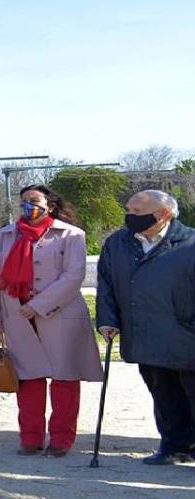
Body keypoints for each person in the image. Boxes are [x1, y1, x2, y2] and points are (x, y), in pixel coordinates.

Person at [0, 185, 103, 458]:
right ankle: (30, 438)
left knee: (64, 379)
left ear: (49, 205)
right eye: (24, 202)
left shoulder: (71, 235)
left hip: (61, 315)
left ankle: (62, 440)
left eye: (35, 201)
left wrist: (38, 306)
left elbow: (73, 276)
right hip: (16, 315)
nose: (29, 206)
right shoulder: (6, 235)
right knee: (28, 379)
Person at [96, 189, 195, 466]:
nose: (130, 216)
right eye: (129, 209)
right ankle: (175, 446)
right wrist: (107, 319)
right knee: (163, 395)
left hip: (186, 335)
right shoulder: (117, 243)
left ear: (163, 214)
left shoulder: (190, 242)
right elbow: (106, 284)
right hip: (145, 334)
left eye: (137, 211)